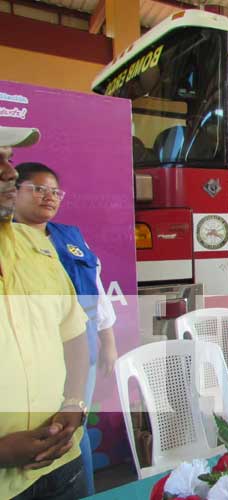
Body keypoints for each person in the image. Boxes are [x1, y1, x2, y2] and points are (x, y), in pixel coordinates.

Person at [13, 162, 117, 496]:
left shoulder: (70, 237)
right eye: (38, 189)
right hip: (31, 348)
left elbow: (96, 292)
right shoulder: (10, 241)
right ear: (13, 192)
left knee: (73, 426)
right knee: (34, 426)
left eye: (55, 191)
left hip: (79, 342)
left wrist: (108, 343)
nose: (48, 197)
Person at [0, 126, 89, 499]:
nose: (9, 173)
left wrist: (74, 404)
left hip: (62, 462)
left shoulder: (38, 245)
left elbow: (73, 334)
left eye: (8, 159)